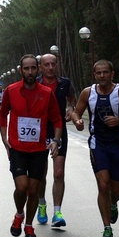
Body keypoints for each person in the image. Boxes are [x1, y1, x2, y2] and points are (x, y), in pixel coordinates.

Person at [72, 60, 119, 237]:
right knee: (103, 185)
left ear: (112, 74)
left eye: (105, 72)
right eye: (99, 73)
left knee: (116, 190)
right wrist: (78, 122)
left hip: (117, 144)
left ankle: (113, 203)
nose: (102, 76)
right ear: (94, 75)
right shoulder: (88, 92)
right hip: (98, 144)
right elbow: (76, 112)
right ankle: (107, 228)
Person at [0, 54, 63, 237]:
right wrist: (4, 138)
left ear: (38, 70)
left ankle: (28, 225)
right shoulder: (11, 90)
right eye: (26, 68)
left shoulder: (46, 92)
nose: (29, 72)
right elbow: (3, 115)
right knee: (22, 187)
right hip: (17, 148)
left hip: (38, 150)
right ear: (21, 70)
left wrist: (56, 140)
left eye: (33, 68)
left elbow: (57, 119)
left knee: (33, 190)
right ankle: (19, 214)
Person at [36, 53, 77, 227]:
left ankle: (57, 212)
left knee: (58, 173)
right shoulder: (35, 83)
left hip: (59, 130)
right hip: (38, 132)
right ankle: (42, 203)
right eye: (46, 64)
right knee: (40, 174)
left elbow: (72, 99)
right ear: (41, 67)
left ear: (57, 65)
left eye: (53, 64)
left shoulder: (64, 83)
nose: (50, 67)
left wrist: (70, 108)